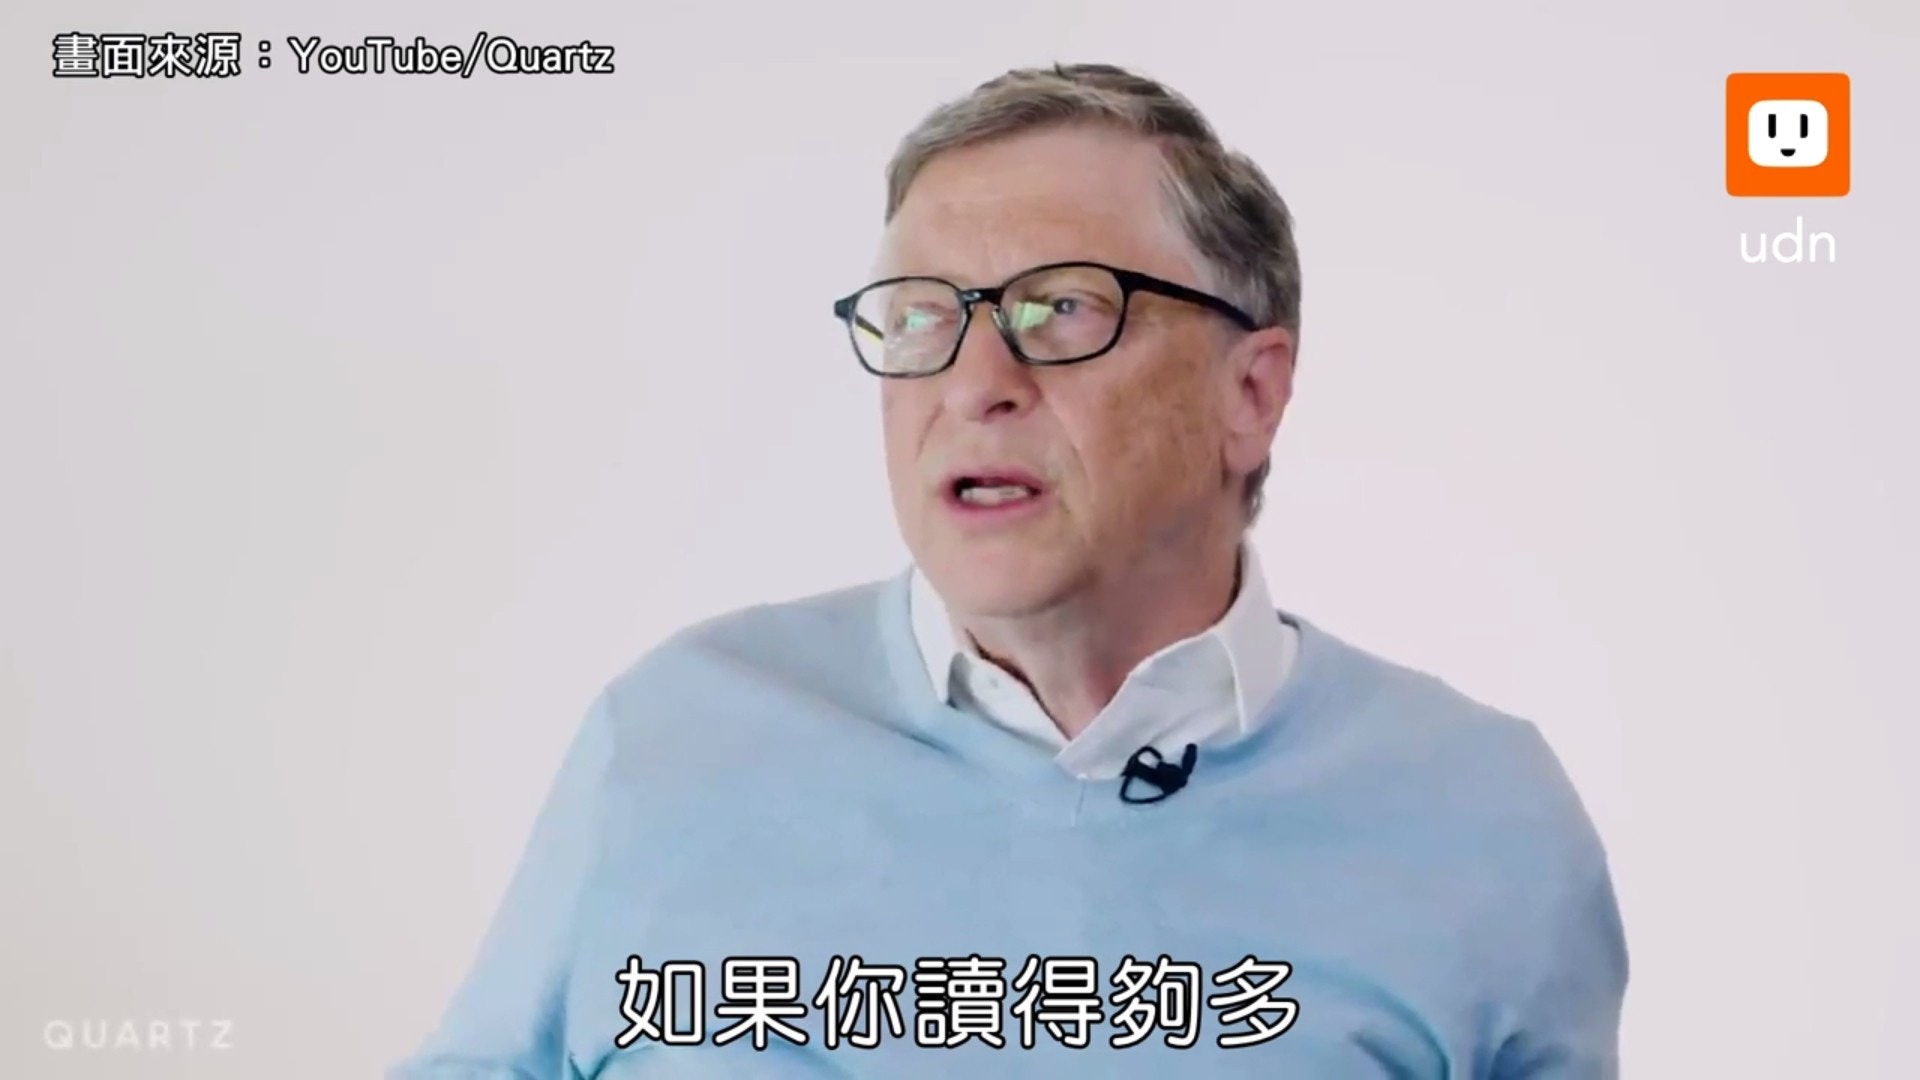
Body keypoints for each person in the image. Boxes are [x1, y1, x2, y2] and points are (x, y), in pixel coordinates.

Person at [391, 62, 1628, 1078]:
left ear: (1250, 394)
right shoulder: (672, 740)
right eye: (922, 316)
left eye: (1062, 309)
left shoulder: (1483, 816)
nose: (976, 384)